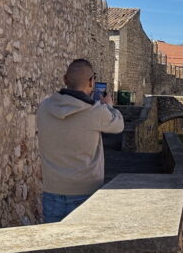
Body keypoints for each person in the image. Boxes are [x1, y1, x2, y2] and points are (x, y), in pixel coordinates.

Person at [36, 58, 124, 222]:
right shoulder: (96, 112)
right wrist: (109, 106)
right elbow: (118, 125)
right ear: (91, 82)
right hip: (86, 193)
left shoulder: (44, 108)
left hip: (52, 191)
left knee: (54, 245)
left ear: (65, 80)